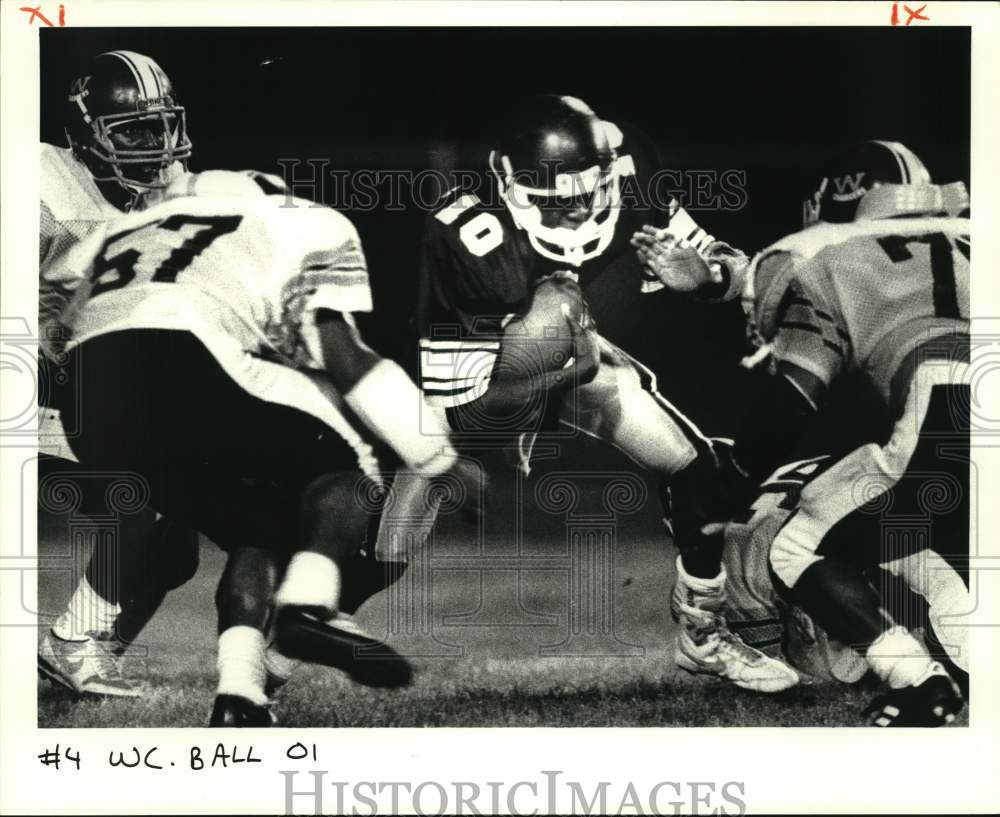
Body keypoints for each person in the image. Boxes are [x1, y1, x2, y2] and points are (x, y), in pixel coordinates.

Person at [52, 169, 482, 725]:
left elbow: (53, 321)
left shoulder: (119, 231)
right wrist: (440, 460)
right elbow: (346, 357)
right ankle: (308, 607)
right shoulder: (293, 221)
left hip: (92, 408)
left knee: (259, 527)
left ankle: (240, 695)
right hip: (190, 352)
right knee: (350, 466)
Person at [414, 94, 798, 692]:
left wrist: (706, 278)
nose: (569, 217)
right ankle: (267, 661)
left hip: (579, 355)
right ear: (506, 180)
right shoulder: (464, 233)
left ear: (608, 169)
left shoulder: (633, 176)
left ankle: (703, 635)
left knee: (700, 472)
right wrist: (573, 367)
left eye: (580, 196)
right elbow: (461, 409)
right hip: (490, 379)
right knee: (381, 549)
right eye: (552, 202)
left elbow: (732, 269)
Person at [644, 140, 970, 725]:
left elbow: (795, 392)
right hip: (956, 410)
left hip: (949, 401)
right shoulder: (972, 232)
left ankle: (920, 683)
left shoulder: (822, 255)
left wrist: (736, 480)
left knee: (797, 546)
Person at [38, 50, 198, 698]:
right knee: (151, 485)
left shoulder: (172, 191)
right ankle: (74, 642)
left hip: (76, 369)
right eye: (134, 130)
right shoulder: (40, 182)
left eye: (162, 127)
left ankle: (85, 656)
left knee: (175, 544)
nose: (155, 145)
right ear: (86, 131)